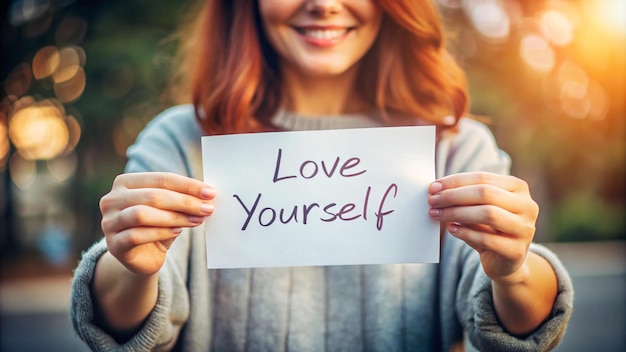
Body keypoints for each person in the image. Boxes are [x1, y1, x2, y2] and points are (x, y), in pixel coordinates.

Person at [71, 0, 574, 351]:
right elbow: (127, 331)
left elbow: (513, 331)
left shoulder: (455, 144)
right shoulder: (180, 141)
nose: (324, 3)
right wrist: (132, 265)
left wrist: (514, 270)